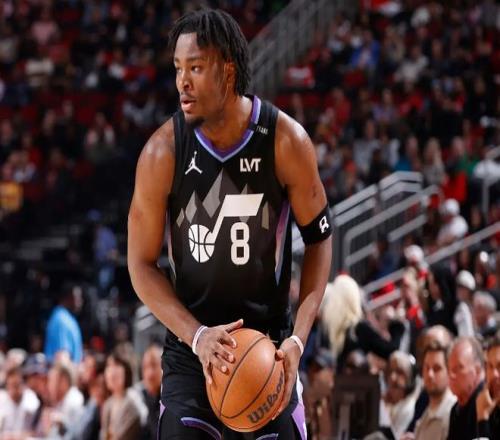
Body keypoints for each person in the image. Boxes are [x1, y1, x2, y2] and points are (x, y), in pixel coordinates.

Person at [127, 9, 332, 440]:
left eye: (196, 68)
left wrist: (297, 340)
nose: (182, 82)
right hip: (191, 352)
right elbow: (140, 264)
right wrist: (197, 335)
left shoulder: (286, 141)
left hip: (268, 348)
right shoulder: (162, 153)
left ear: (227, 70)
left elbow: (320, 239)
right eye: (178, 68)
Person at [412, 342, 456, 440]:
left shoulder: (452, 413)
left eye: (437, 368)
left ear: (449, 371)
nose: (430, 374)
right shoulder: (425, 412)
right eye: (426, 367)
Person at [447, 337, 484, 440]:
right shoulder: (455, 410)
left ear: (477, 370)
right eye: (450, 369)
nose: (451, 375)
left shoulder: (486, 405)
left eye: (458, 368)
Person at [44, 282, 83, 364]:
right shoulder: (61, 320)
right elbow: (62, 356)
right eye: (76, 298)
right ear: (67, 298)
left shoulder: (67, 317)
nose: (80, 302)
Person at [475, 335, 500, 440]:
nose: (494, 374)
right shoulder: (485, 404)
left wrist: (482, 418)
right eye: (490, 366)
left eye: (499, 366)